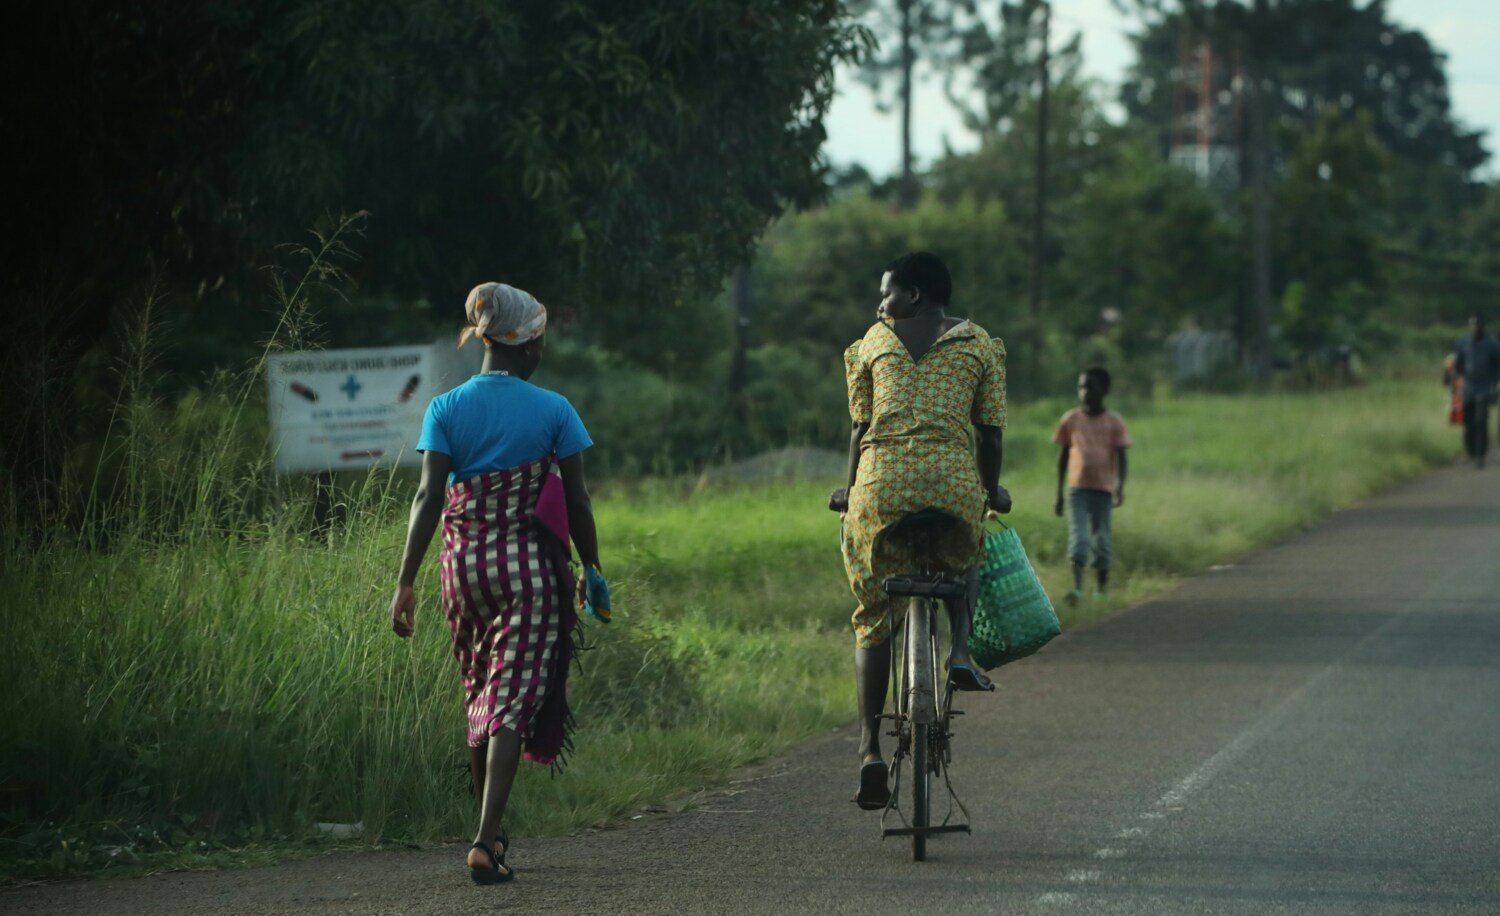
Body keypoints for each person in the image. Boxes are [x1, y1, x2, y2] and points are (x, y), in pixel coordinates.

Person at [387, 282, 603, 885]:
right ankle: (483, 841)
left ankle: (492, 835)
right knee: (509, 702)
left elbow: (429, 496)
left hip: (462, 572)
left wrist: (404, 582)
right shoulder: (554, 410)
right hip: (526, 572)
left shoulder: (445, 408)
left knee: (480, 693)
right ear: (529, 345)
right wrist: (592, 567)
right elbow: (577, 501)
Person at [828, 252, 1011, 811]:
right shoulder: (981, 344)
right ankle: (959, 651)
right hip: (954, 482)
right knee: (968, 547)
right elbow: (991, 435)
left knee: (871, 615)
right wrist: (989, 488)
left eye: (886, 293)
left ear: (912, 294)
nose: (880, 304)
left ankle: (867, 749)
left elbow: (862, 428)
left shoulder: (871, 343)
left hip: (882, 488)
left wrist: (851, 487)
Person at [1052, 367, 1131, 604]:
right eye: (1082, 387)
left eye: (1091, 387)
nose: (1085, 392)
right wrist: (1058, 494)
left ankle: (1100, 591)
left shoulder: (1114, 421)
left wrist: (1120, 485)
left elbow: (1122, 457)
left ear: (1104, 391)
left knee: (1102, 540)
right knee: (1079, 538)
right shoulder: (1071, 419)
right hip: (1077, 490)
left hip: (1103, 490)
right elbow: (1063, 457)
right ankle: (1077, 588)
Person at [1452, 315, 1500, 467]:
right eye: (1473, 326)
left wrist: (1494, 382)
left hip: (1485, 387)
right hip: (1468, 387)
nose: (1475, 328)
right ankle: (1470, 451)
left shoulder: (1492, 344)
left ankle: (1480, 454)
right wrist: (1456, 385)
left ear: (1482, 327)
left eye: (1478, 325)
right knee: (1469, 422)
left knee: (1481, 421)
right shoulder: (1463, 343)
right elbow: (1458, 365)